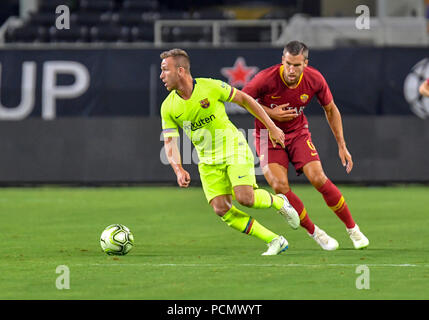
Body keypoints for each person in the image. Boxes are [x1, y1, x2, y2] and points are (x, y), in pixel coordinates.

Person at [159, 48, 300, 256]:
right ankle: (275, 240)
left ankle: (279, 202)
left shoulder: (211, 87)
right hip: (207, 161)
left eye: (165, 70)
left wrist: (271, 126)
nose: (161, 76)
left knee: (245, 198)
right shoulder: (168, 106)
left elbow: (245, 100)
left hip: (233, 148)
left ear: (180, 71)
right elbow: (170, 142)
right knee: (221, 209)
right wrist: (178, 168)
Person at [242, 41, 369, 250]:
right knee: (279, 187)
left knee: (319, 178)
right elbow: (243, 99)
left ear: (305, 64)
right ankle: (315, 233)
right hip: (268, 136)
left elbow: (331, 109)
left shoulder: (314, 79)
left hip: (298, 133)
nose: (291, 70)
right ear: (282, 60)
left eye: (297, 65)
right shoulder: (266, 78)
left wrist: (342, 145)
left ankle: (353, 230)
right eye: (288, 64)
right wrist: (271, 114)